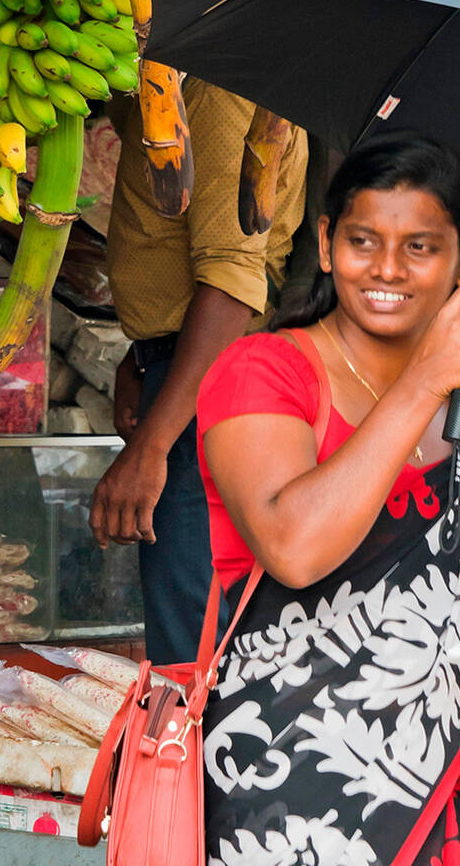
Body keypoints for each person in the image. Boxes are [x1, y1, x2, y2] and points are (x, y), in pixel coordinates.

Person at [196, 134, 460, 865]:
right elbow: (294, 547)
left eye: (421, 247)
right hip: (288, 791)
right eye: (364, 241)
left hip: (446, 788)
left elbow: (439, 565)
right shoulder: (264, 372)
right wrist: (422, 383)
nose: (388, 270)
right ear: (325, 244)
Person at [91, 81, 307, 665]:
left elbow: (232, 284)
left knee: (198, 651)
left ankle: (198, 758)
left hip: (212, 390)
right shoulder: (180, 85)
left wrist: (151, 446)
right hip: (190, 370)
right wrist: (143, 358)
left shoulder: (218, 88)